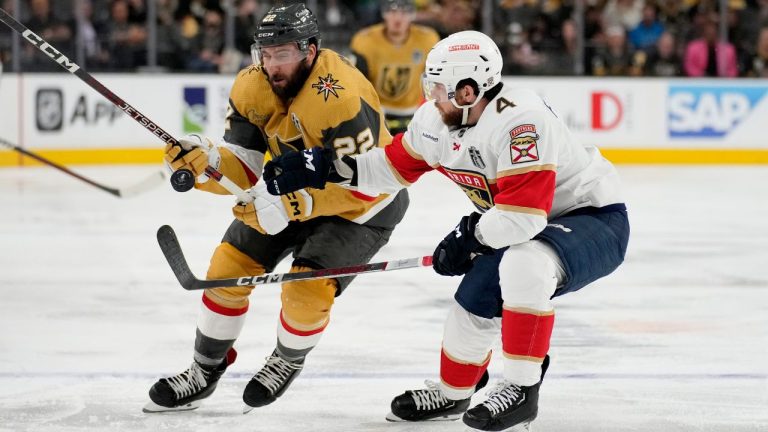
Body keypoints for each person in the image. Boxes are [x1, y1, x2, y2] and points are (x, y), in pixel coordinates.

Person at [262, 30, 629, 431]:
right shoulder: (436, 120)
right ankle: (454, 393)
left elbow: (525, 217)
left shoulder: (522, 121)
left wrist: (469, 239)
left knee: (526, 266)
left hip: (591, 218)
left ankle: (523, 389)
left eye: (439, 87)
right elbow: (390, 167)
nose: (430, 96)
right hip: (517, 225)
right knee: (471, 302)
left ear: (468, 91)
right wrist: (327, 168)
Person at [144, 3, 409, 413]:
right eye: (265, 54)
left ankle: (287, 359)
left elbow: (369, 183)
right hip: (287, 190)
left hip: (360, 207)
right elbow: (246, 170)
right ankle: (204, 368)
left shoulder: (341, 95)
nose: (272, 65)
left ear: (311, 49)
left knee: (304, 292)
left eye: (283, 53)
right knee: (225, 270)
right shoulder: (251, 86)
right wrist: (207, 163)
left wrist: (294, 203)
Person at [349, 0, 439, 135]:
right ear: (384, 13)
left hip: (413, 110)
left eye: (404, 12)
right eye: (392, 11)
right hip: (377, 110)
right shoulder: (364, 40)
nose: (397, 18)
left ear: (412, 15)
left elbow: (434, 79)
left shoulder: (427, 39)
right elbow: (357, 83)